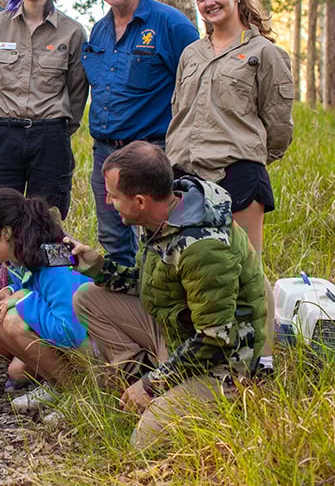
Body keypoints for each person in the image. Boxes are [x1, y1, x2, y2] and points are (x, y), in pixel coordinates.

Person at [70, 142, 267, 449]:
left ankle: (158, 390)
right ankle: (141, 380)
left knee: (143, 444)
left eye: (114, 196)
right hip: (179, 334)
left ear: (139, 201)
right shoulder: (163, 217)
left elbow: (217, 338)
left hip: (220, 364)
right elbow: (157, 284)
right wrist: (99, 269)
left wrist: (154, 384)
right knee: (88, 297)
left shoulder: (203, 247)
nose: (108, 201)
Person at [0, 0, 88, 313]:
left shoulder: (72, 31)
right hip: (2, 136)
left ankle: (47, 317)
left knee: (48, 230)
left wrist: (54, 129)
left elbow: (76, 93)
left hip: (49, 138)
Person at [82, 0, 199, 271]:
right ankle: (121, 315)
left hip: (153, 154)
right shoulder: (100, 31)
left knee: (165, 243)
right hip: (106, 154)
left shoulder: (171, 25)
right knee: (114, 242)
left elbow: (198, 89)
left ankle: (162, 318)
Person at [166, 0, 294, 253]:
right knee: (185, 272)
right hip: (183, 176)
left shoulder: (264, 53)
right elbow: (179, 111)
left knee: (245, 271)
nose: (209, 2)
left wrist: (248, 157)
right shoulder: (191, 54)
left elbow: (278, 124)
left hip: (237, 176)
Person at [0, 188, 90, 413]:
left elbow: (70, 333)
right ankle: (56, 384)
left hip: (92, 349)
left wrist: (23, 298)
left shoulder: (56, 263)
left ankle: (79, 394)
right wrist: (10, 290)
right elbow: (35, 289)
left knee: (14, 320)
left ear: (5, 233)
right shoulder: (23, 256)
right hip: (67, 339)